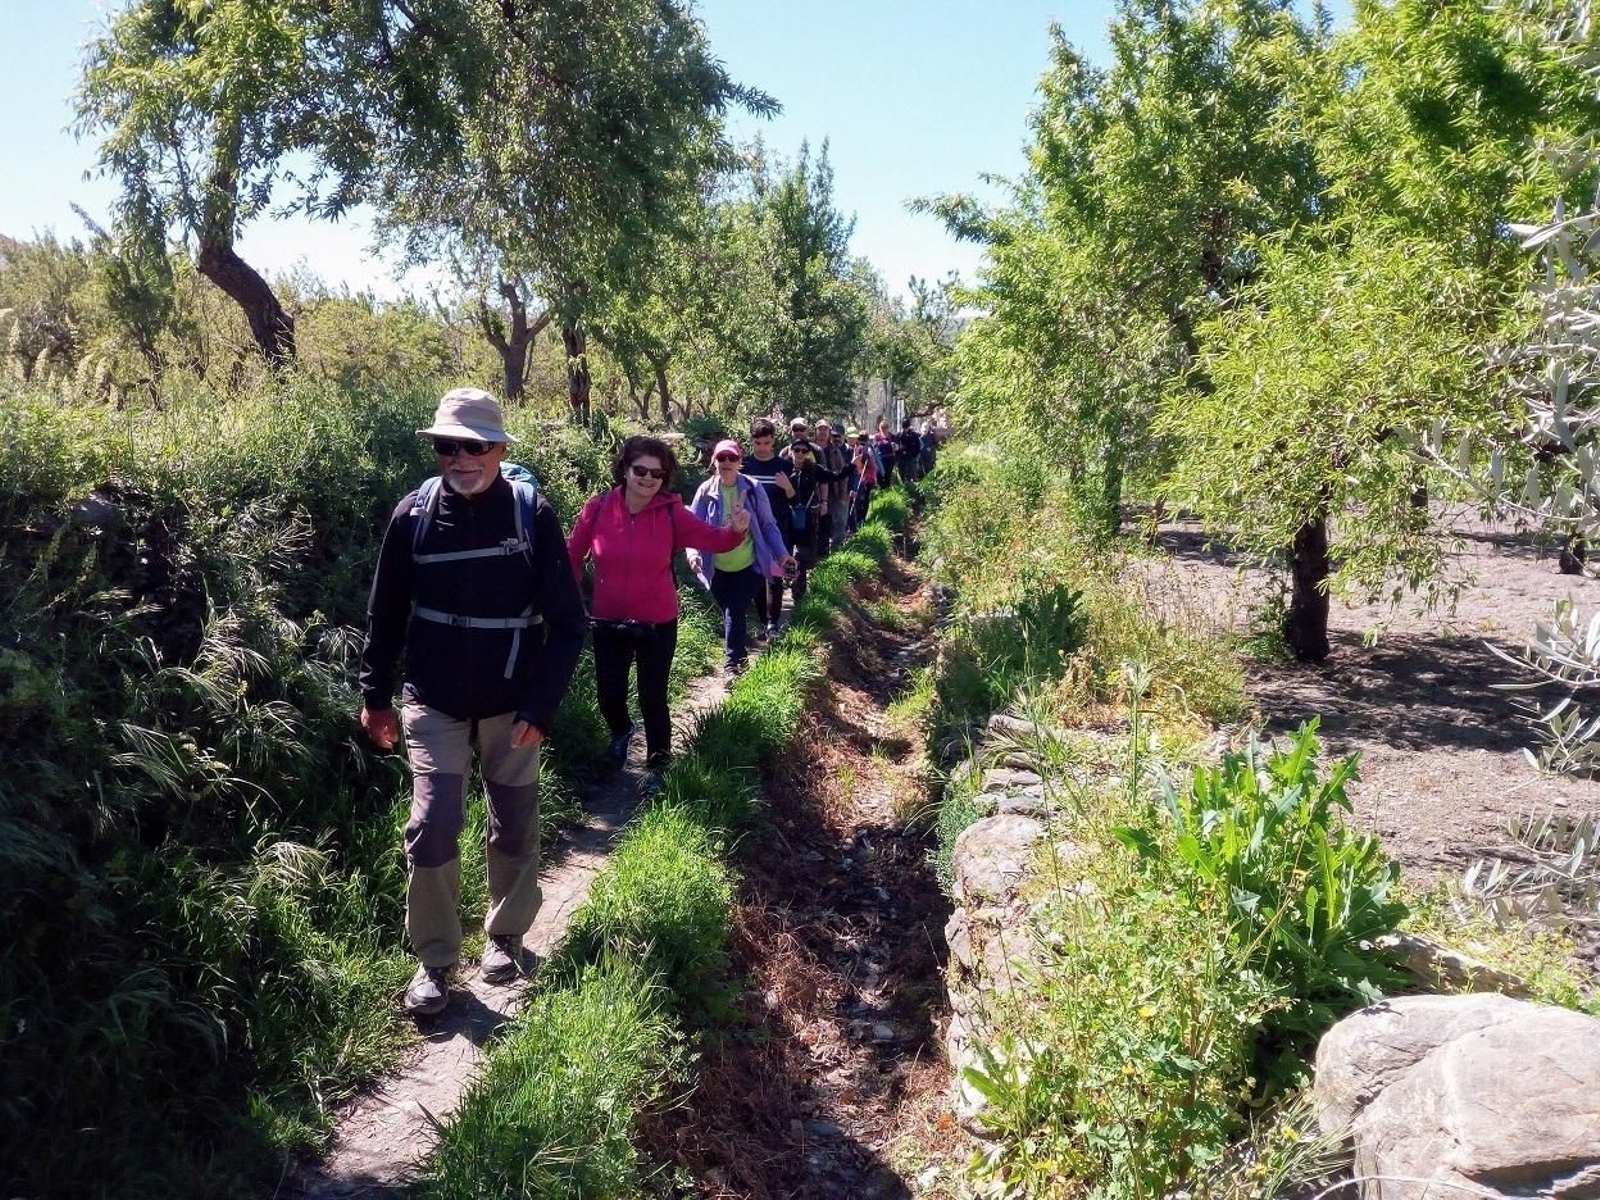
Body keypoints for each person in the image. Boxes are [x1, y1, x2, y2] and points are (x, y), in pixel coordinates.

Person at [359, 387, 588, 1018]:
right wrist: (375, 696)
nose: (460, 457)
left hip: (512, 704)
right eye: (446, 446)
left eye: (474, 446)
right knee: (432, 824)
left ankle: (506, 934)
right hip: (432, 698)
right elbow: (384, 615)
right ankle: (435, 960)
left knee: (512, 821)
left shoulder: (531, 515)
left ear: (499, 449)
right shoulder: (413, 516)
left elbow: (569, 624)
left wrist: (540, 707)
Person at [567, 435, 749, 777]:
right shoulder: (599, 507)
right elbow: (573, 556)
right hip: (608, 620)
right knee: (609, 696)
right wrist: (572, 601)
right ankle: (621, 733)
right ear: (624, 469)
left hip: (657, 621)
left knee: (653, 697)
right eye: (641, 470)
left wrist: (736, 531)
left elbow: (713, 539)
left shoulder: (672, 513)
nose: (648, 478)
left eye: (657, 473)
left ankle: (659, 765)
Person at [688, 439, 794, 674]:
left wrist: (782, 554)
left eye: (732, 458)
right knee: (730, 611)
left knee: (735, 609)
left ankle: (731, 664)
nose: (726, 462)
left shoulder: (753, 489)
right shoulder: (705, 491)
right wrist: (694, 554)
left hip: (750, 564)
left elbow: (768, 526)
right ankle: (742, 657)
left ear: (739, 462)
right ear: (714, 461)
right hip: (716, 566)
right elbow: (691, 528)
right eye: (721, 458)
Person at [743, 418, 797, 638]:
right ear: (753, 442)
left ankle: (773, 623)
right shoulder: (745, 465)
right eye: (758, 443)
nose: (762, 448)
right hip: (749, 530)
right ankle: (763, 620)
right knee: (756, 575)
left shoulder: (783, 467)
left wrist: (788, 487)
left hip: (777, 528)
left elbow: (795, 501)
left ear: (773, 441)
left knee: (774, 575)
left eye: (766, 443)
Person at [770, 436, 828, 621]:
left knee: (802, 556)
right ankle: (784, 585)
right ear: (790, 451)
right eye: (797, 450)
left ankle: (799, 594)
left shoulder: (814, 469)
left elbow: (832, 477)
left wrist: (853, 466)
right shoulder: (782, 468)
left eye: (804, 450)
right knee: (784, 554)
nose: (800, 454)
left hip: (806, 519)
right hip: (785, 519)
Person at [813, 420, 851, 555]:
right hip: (812, 495)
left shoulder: (834, 451)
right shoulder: (808, 449)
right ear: (816, 431)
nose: (822, 432)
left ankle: (828, 557)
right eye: (820, 429)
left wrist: (842, 495)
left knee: (827, 525)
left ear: (829, 432)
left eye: (825, 429)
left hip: (831, 494)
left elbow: (842, 475)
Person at [846, 426, 878, 531]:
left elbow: (870, 463)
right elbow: (874, 464)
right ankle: (857, 522)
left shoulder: (863, 449)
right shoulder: (845, 449)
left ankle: (859, 522)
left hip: (862, 479)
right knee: (859, 501)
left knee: (859, 502)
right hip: (861, 479)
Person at [873, 417, 899, 486]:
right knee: (879, 474)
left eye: (886, 427)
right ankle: (881, 489)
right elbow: (874, 447)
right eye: (882, 427)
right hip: (880, 459)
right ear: (879, 428)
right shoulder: (877, 436)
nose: (884, 429)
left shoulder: (892, 436)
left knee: (887, 475)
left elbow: (897, 448)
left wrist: (894, 446)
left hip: (890, 458)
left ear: (888, 427)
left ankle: (887, 490)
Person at [898, 418, 924, 484]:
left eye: (906, 427)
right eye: (904, 428)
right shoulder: (899, 435)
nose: (905, 429)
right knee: (903, 475)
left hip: (911, 457)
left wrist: (914, 456)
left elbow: (918, 447)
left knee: (912, 475)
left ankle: (913, 489)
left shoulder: (913, 435)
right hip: (902, 458)